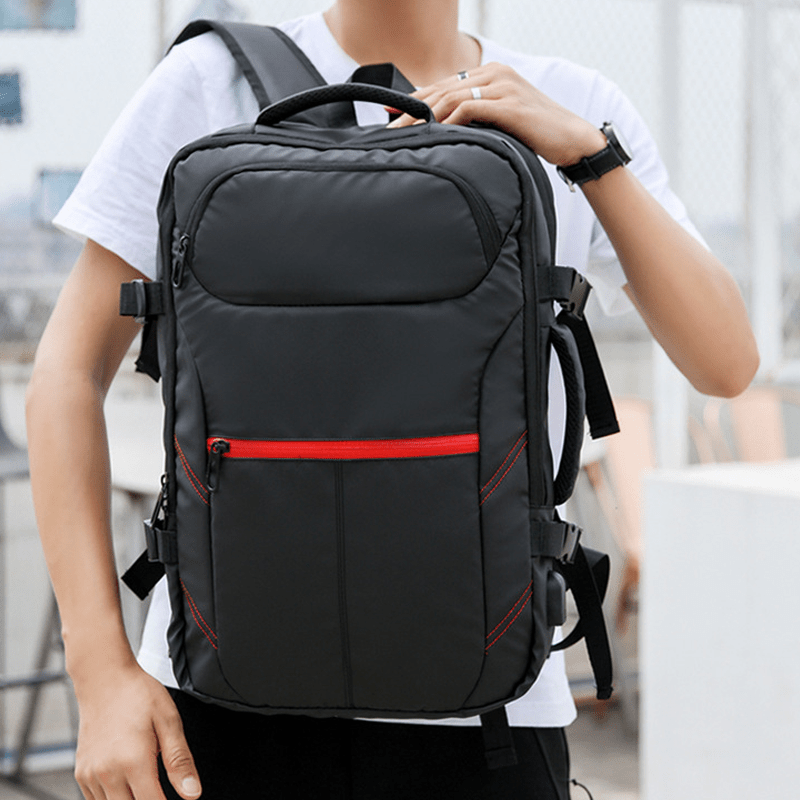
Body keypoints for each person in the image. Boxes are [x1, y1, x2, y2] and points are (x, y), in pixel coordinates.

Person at [26, 1, 759, 798]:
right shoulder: (208, 81)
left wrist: (589, 155)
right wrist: (99, 673)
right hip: (219, 707)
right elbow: (67, 373)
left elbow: (725, 362)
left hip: (491, 720)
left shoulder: (572, 100)